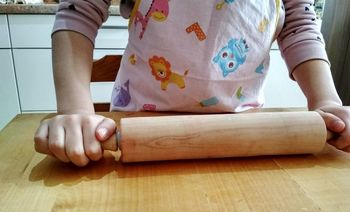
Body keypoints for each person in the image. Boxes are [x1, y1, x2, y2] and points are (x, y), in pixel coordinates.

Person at [34, 0, 350, 166]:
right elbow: (80, 10)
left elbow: (298, 25)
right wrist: (76, 109)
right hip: (136, 127)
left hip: (242, 135)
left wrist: (327, 103)